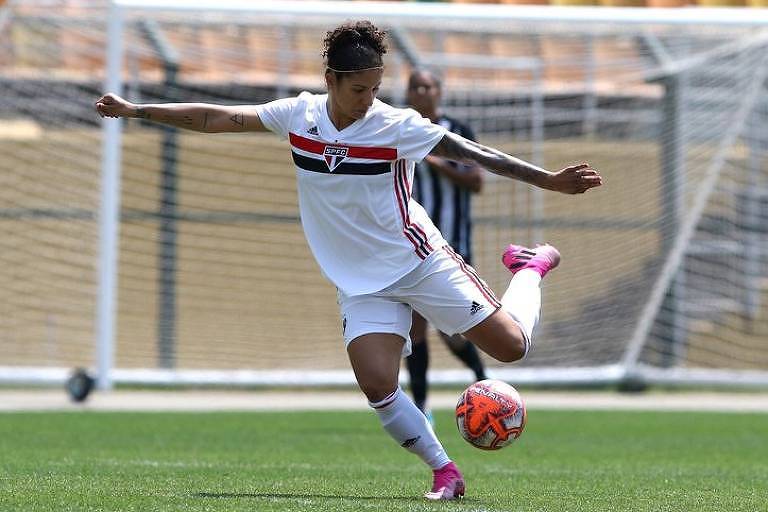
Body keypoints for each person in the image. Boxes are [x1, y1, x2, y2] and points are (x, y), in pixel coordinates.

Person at [95, 20, 602, 501]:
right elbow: (216, 118)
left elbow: (474, 153)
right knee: (379, 384)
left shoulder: (395, 125)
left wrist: (548, 180)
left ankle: (531, 267)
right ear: (330, 81)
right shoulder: (300, 115)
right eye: (359, 89)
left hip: (419, 262)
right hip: (359, 282)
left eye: (376, 88)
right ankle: (445, 471)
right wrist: (139, 111)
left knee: (511, 348)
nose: (368, 99)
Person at [405, 69, 487, 420]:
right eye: (416, 87)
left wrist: (436, 161)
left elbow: (476, 182)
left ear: (439, 92)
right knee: (414, 329)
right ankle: (421, 406)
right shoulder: (398, 128)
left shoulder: (459, 132)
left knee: (453, 332)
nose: (423, 92)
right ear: (408, 94)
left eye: (429, 86)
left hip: (453, 246)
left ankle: (485, 381)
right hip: (408, 247)